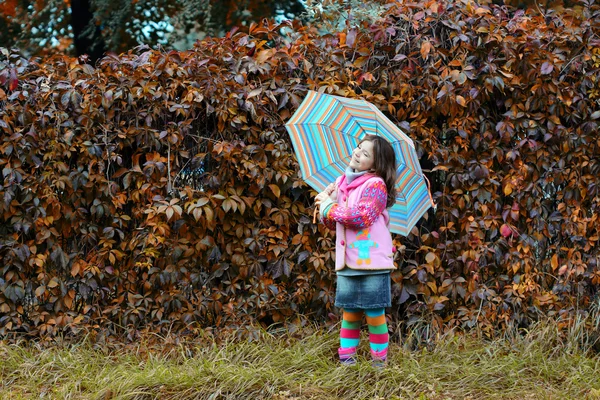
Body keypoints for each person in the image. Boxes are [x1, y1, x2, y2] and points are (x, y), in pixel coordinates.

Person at [314, 134, 397, 367]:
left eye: (366, 153)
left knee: (374, 315)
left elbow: (361, 217)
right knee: (349, 315)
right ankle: (347, 364)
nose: (358, 153)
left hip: (372, 263)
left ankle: (379, 365)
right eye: (359, 147)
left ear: (376, 164)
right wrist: (325, 206)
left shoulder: (376, 186)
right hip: (348, 262)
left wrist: (331, 208)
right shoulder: (342, 183)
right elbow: (334, 223)